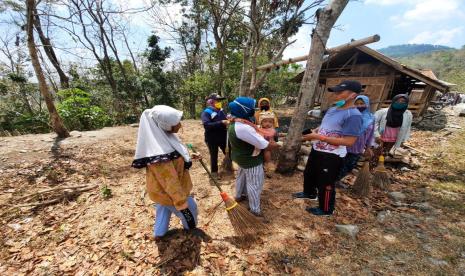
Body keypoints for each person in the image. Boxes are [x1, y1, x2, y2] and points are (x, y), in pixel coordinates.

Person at [293, 80, 363, 216]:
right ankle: (309, 193)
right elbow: (324, 126)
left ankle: (326, 209)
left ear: (352, 95)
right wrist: (315, 132)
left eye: (340, 92)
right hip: (318, 149)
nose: (336, 95)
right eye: (335, 91)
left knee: (325, 182)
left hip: (332, 155)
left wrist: (320, 137)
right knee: (309, 173)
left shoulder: (353, 115)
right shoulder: (333, 109)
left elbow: (349, 141)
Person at [132, 105, 200, 239]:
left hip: (161, 192)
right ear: (163, 125)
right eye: (176, 123)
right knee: (191, 209)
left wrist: (189, 156)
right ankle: (191, 230)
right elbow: (169, 180)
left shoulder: (163, 138)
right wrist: (181, 202)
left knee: (163, 209)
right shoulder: (158, 155)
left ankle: (159, 233)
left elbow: (175, 158)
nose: (180, 126)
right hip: (170, 192)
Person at [228, 97, 279, 216]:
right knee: (255, 184)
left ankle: (239, 195)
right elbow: (264, 145)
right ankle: (255, 210)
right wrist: (276, 145)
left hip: (240, 157)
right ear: (244, 110)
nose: (253, 110)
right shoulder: (243, 127)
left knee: (241, 177)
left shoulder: (236, 121)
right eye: (251, 108)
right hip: (251, 160)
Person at [337, 95, 375, 181]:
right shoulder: (349, 115)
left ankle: (336, 180)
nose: (359, 106)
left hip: (358, 147)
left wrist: (368, 147)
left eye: (362, 103)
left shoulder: (371, 118)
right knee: (339, 164)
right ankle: (331, 181)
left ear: (367, 104)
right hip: (344, 145)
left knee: (350, 166)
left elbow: (371, 134)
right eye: (356, 103)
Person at [201, 93, 228, 178]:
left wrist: (228, 119)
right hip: (212, 138)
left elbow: (225, 120)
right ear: (211, 102)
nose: (220, 102)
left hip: (223, 136)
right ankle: (214, 173)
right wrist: (221, 122)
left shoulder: (221, 110)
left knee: (228, 152)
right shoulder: (206, 112)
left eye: (220, 101)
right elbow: (207, 125)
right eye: (218, 100)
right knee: (214, 155)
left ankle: (228, 168)